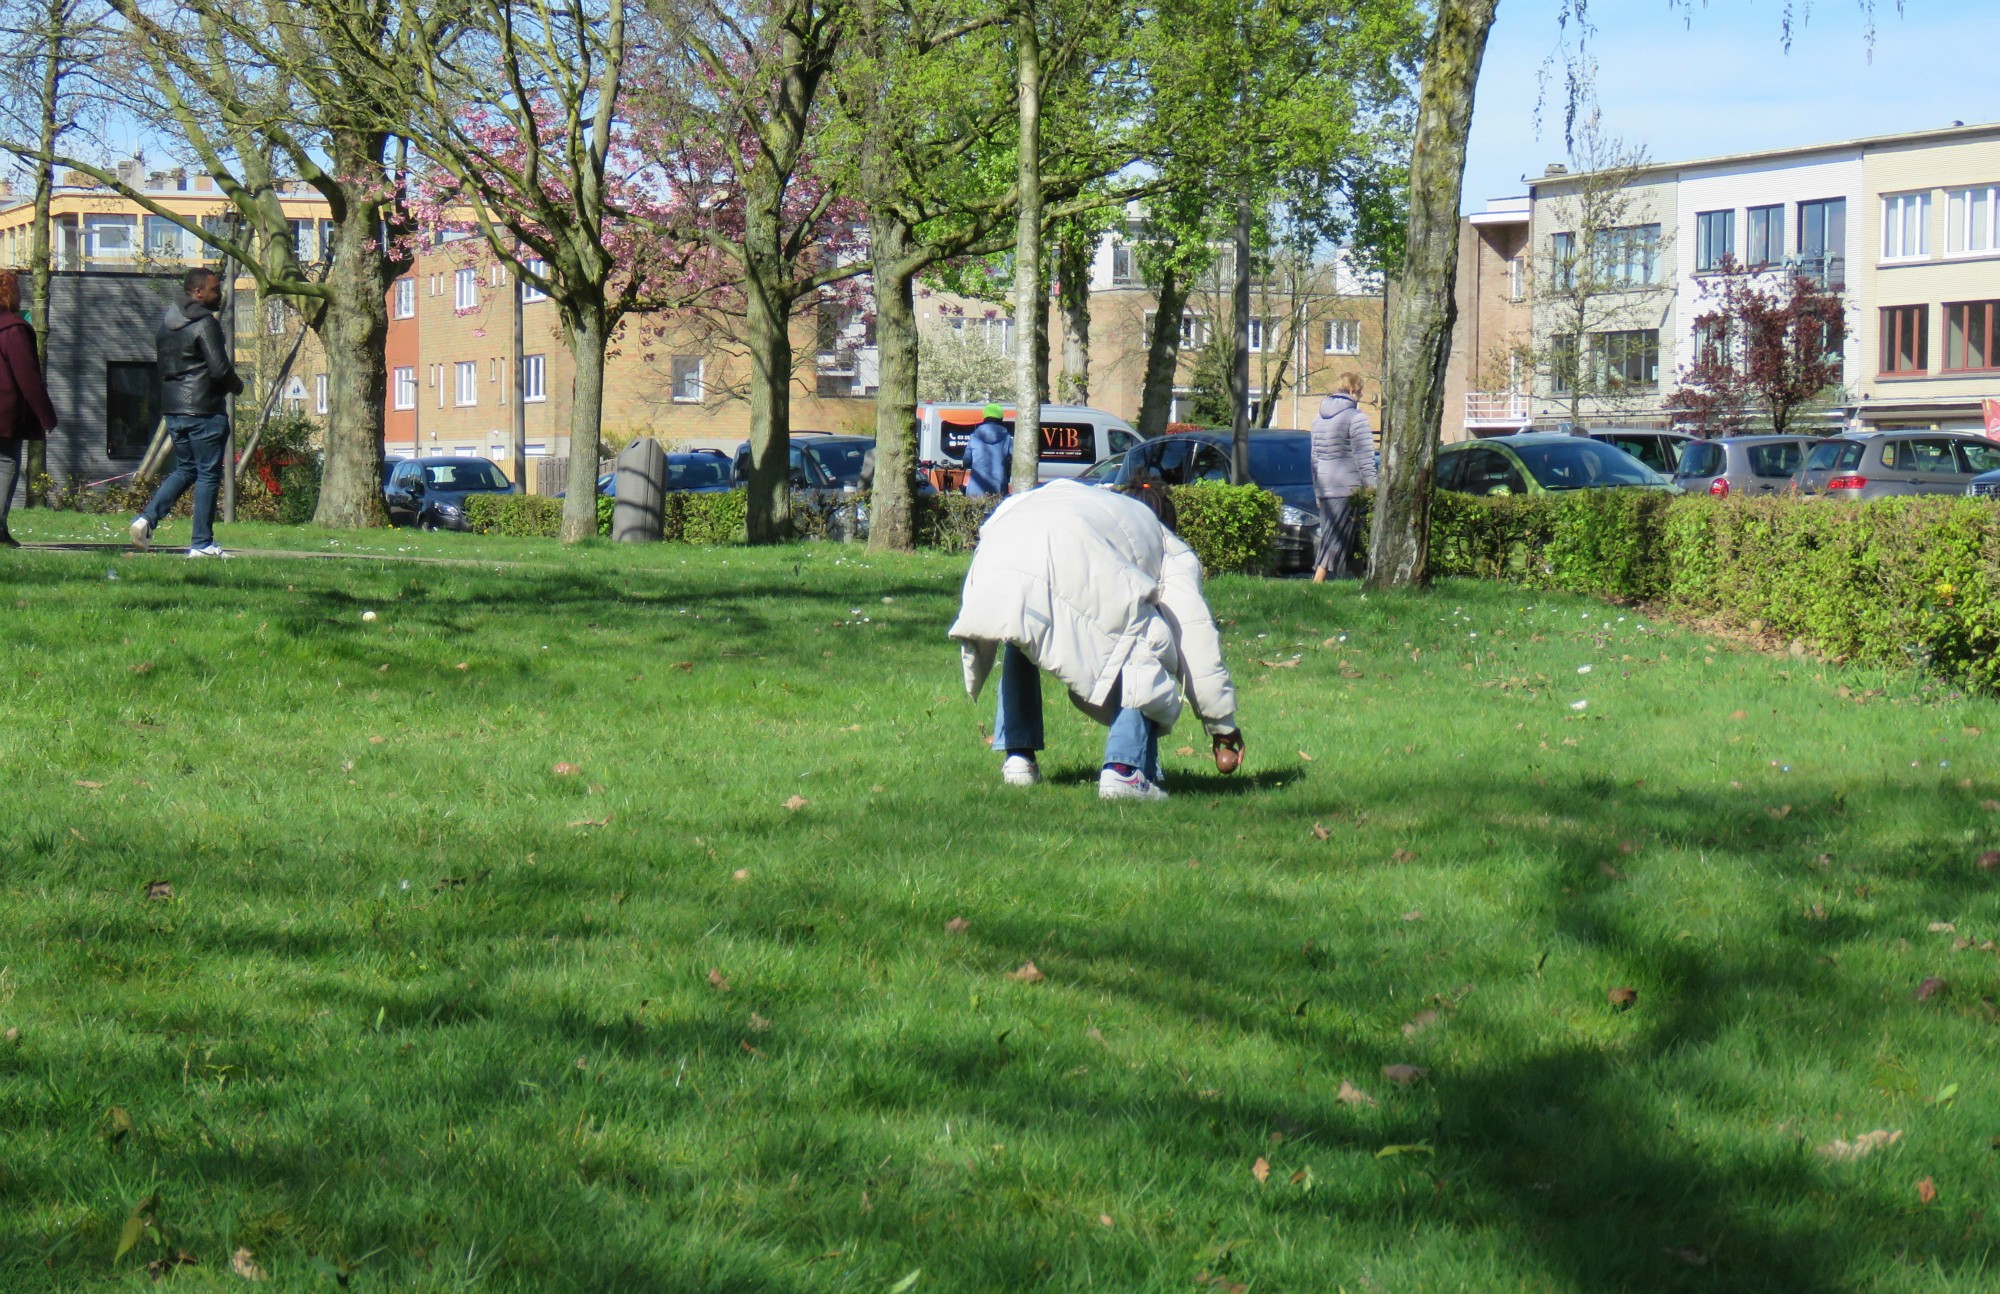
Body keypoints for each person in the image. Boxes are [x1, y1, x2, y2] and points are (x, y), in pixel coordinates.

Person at [950, 478, 1245, 802]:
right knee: (1146, 640)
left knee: (1021, 629)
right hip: (1049, 545)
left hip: (1000, 546)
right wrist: (1223, 726)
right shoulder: (1165, 542)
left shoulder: (1087, 499)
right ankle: (1124, 771)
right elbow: (1192, 632)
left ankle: (1018, 759)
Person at [131, 266, 242, 557]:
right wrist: (237, 385)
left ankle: (146, 519)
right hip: (204, 411)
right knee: (207, 474)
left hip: (174, 412)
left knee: (186, 469)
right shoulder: (205, 323)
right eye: (214, 289)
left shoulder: (166, 326)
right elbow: (219, 369)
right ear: (198, 293)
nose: (219, 294)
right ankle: (202, 544)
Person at [0, 269, 59, 548]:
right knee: (5, 464)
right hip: (4, 413)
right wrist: (46, 416)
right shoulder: (12, 328)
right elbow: (27, 377)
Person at [1309, 372, 1377, 583]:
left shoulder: (1317, 419)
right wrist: (1372, 487)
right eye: (1360, 392)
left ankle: (1363, 580)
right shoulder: (1356, 418)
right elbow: (1365, 457)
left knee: (1350, 537)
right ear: (1353, 391)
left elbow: (1314, 458)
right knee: (1336, 535)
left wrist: (1318, 491)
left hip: (1325, 484)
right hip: (1347, 486)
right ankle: (1316, 583)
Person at [962, 402, 1012, 497]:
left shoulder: (974, 437)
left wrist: (967, 464)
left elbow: (967, 459)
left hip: (977, 485)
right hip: (998, 485)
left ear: (984, 417)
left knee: (976, 510)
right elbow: (1013, 457)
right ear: (1001, 418)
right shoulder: (1007, 438)